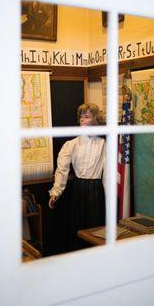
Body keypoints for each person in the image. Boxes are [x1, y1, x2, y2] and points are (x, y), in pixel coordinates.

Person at [48, 103, 106, 251]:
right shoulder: (71, 145)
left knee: (95, 229)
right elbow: (62, 171)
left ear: (95, 120)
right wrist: (56, 192)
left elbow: (108, 174)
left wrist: (109, 196)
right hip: (78, 190)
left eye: (87, 116)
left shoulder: (104, 144)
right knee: (78, 227)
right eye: (81, 116)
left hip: (96, 191)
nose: (82, 119)